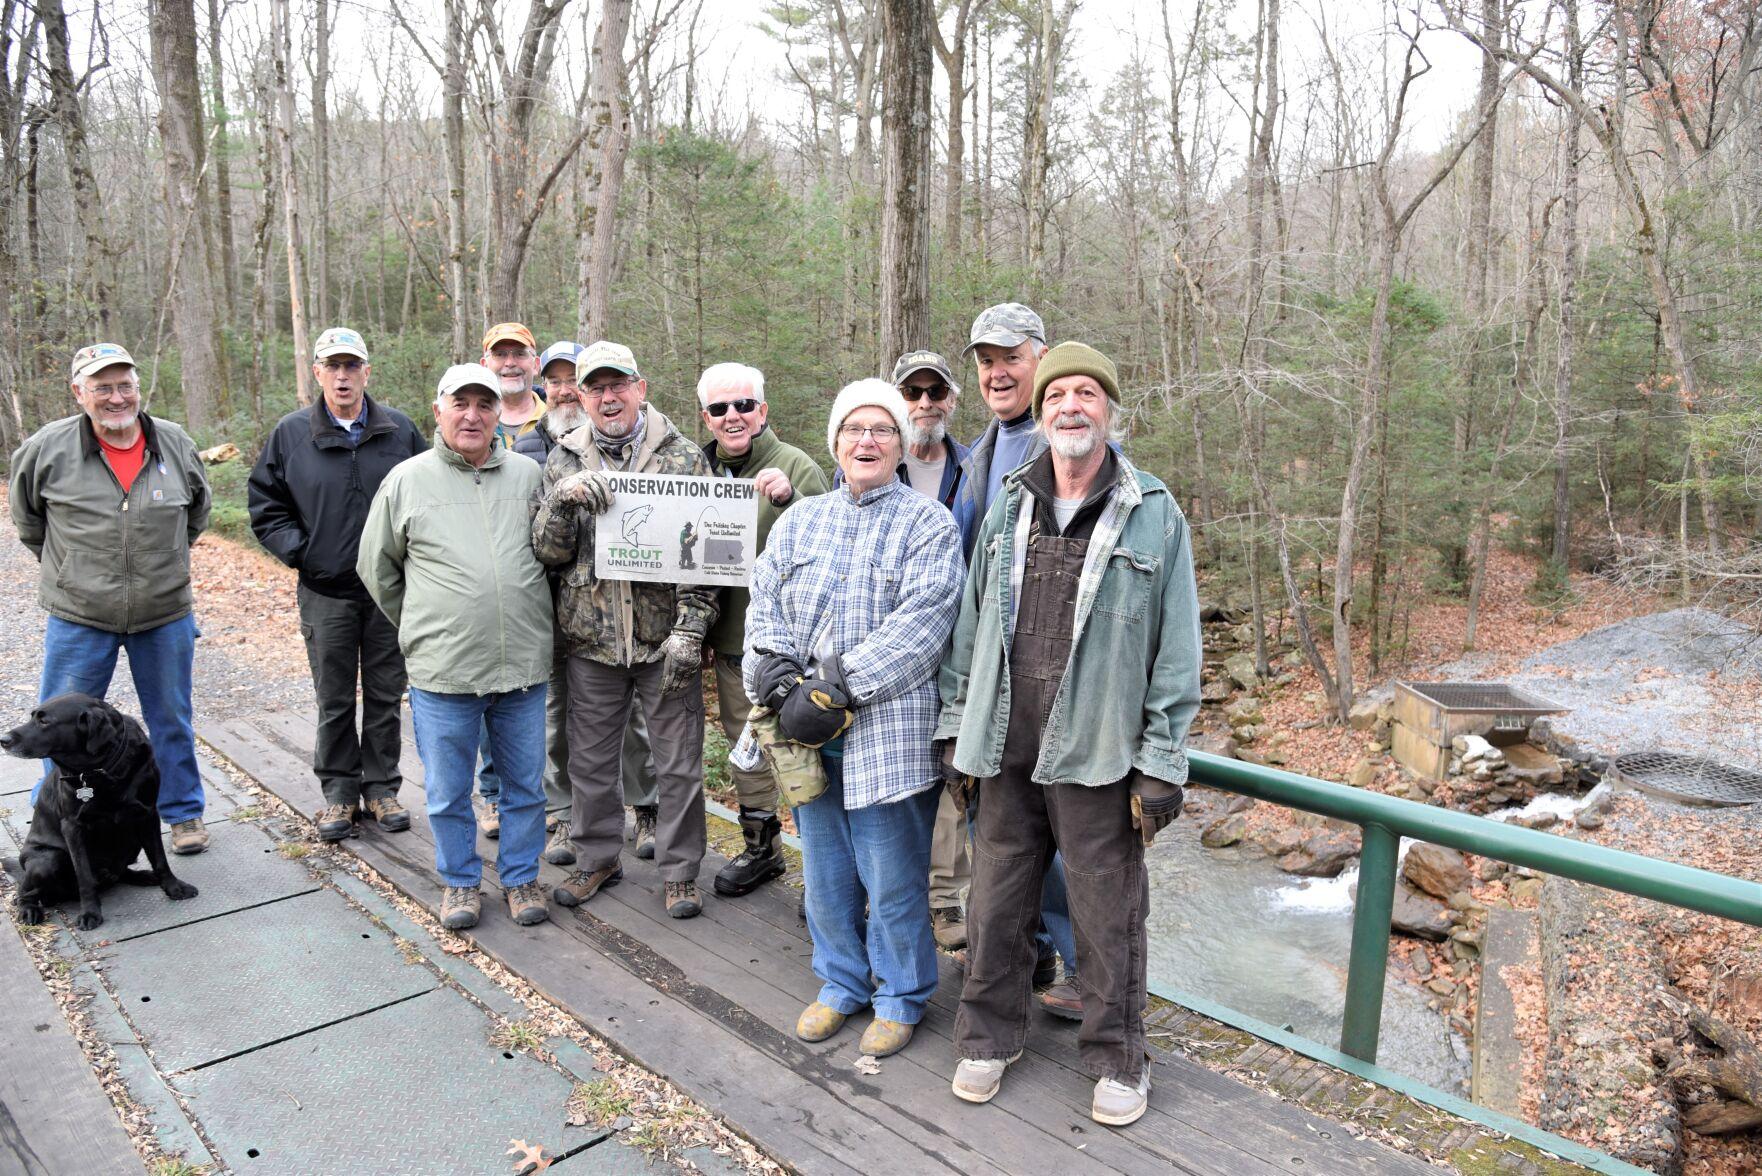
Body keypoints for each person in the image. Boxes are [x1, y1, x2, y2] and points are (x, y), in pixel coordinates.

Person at [938, 343, 1200, 1126]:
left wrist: (1160, 762)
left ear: (1108, 411)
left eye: (1087, 394)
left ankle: (1118, 1059)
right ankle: (989, 1037)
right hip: (1006, 747)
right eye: (1058, 397)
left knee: (1107, 916)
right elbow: (970, 625)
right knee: (994, 906)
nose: (1070, 408)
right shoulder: (1009, 503)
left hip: (1099, 755)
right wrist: (957, 727)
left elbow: (1178, 649)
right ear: (1043, 412)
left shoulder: (1153, 511)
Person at [739, 379, 964, 1058]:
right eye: (854, 430)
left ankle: (901, 994)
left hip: (883, 736)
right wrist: (774, 677)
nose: (867, 441)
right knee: (827, 872)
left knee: (892, 879)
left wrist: (836, 688)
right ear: (835, 441)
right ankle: (840, 982)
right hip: (801, 742)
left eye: (883, 430)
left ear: (902, 445)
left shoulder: (929, 524)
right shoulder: (801, 520)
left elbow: (924, 624)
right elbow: (763, 604)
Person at [357, 363, 553, 931]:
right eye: (460, 403)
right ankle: (461, 883)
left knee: (523, 787)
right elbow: (377, 568)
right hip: (443, 671)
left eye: (484, 405)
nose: (473, 415)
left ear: (500, 414)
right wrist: (425, 622)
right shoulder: (407, 480)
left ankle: (520, 878)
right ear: (438, 411)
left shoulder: (526, 475)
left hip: (521, 665)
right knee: (446, 791)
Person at [531, 340, 718, 920]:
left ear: (641, 388)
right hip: (591, 643)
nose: (608, 397)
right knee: (588, 761)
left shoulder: (683, 457)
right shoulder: (562, 460)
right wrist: (561, 506)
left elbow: (708, 555)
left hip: (664, 642)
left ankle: (682, 871)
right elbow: (546, 555)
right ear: (581, 397)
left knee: (679, 762)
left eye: (619, 385)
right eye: (595, 388)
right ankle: (597, 859)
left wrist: (690, 629)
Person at [10, 343, 212, 854]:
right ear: (79, 393)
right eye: (102, 387)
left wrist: (159, 565)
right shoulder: (46, 449)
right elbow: (30, 523)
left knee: (171, 718)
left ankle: (183, 812)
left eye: (125, 386)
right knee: (56, 728)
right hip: (80, 615)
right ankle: (47, 822)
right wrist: (74, 572)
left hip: (163, 612)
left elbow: (196, 515)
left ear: (139, 390)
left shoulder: (174, 443)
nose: (116, 398)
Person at [948, 303, 1081, 1018]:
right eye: (986, 361)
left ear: (1043, 357)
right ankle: (1026, 952)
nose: (998, 372)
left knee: (1064, 832)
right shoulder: (981, 451)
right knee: (995, 829)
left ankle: (1083, 965)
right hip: (985, 675)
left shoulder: (1062, 444)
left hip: (1049, 674)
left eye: (1012, 357)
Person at [247, 327, 427, 842]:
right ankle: (339, 793)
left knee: (387, 693)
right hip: (326, 591)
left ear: (367, 372)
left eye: (353, 366)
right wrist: (302, 553)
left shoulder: (399, 430)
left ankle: (381, 787)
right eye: (334, 366)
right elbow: (266, 505)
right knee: (334, 697)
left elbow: (426, 499)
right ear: (318, 373)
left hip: (390, 592)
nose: (343, 376)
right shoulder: (291, 433)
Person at [511, 341, 662, 868]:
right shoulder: (537, 449)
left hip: (629, 615)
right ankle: (562, 816)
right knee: (560, 719)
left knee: (633, 720)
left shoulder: (659, 446)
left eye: (568, 379)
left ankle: (645, 807)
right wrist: (561, 497)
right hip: (551, 610)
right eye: (557, 381)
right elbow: (541, 545)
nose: (566, 390)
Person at [694, 362, 829, 900]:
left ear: (762, 410)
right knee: (746, 753)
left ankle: (824, 872)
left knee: (804, 756)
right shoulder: (694, 470)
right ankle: (762, 848)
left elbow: (832, 542)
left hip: (793, 654)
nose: (733, 416)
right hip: (729, 641)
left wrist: (790, 500)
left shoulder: (795, 466)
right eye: (720, 408)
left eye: (744, 405)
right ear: (706, 416)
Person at [890, 349, 973, 951]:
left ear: (950, 399)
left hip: (955, 646)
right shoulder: (866, 461)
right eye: (912, 392)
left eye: (934, 391)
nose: (924, 403)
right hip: (888, 649)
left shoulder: (975, 469)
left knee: (951, 774)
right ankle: (884, 889)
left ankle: (944, 901)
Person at [471, 321, 547, 838]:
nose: (510, 363)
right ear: (486, 366)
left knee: (551, 703)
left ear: (534, 362)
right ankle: (494, 796)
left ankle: (555, 803)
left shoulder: (563, 419)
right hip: (489, 586)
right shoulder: (473, 422)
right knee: (487, 694)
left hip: (553, 583)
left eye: (519, 354)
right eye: (500, 356)